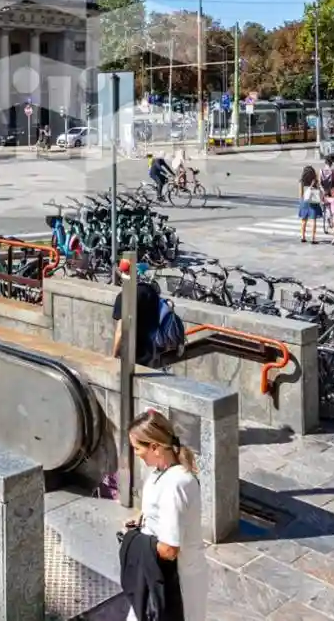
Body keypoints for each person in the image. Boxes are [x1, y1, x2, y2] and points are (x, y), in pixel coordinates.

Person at [121, 410, 207, 621]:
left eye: (138, 448)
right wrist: (143, 519)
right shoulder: (162, 471)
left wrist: (134, 540)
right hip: (159, 574)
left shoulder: (175, 485)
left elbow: (169, 549)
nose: (137, 453)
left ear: (155, 447)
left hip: (177, 582)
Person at [111, 259, 161, 368]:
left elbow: (120, 331)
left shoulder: (124, 296)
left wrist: (113, 356)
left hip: (130, 355)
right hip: (151, 352)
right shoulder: (152, 292)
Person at [297, 166, 323, 244]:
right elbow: (318, 190)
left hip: (304, 201)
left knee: (303, 220)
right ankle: (313, 238)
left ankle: (303, 236)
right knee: (313, 220)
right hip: (313, 201)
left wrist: (301, 201)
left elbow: (301, 194)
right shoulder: (315, 180)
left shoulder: (301, 181)